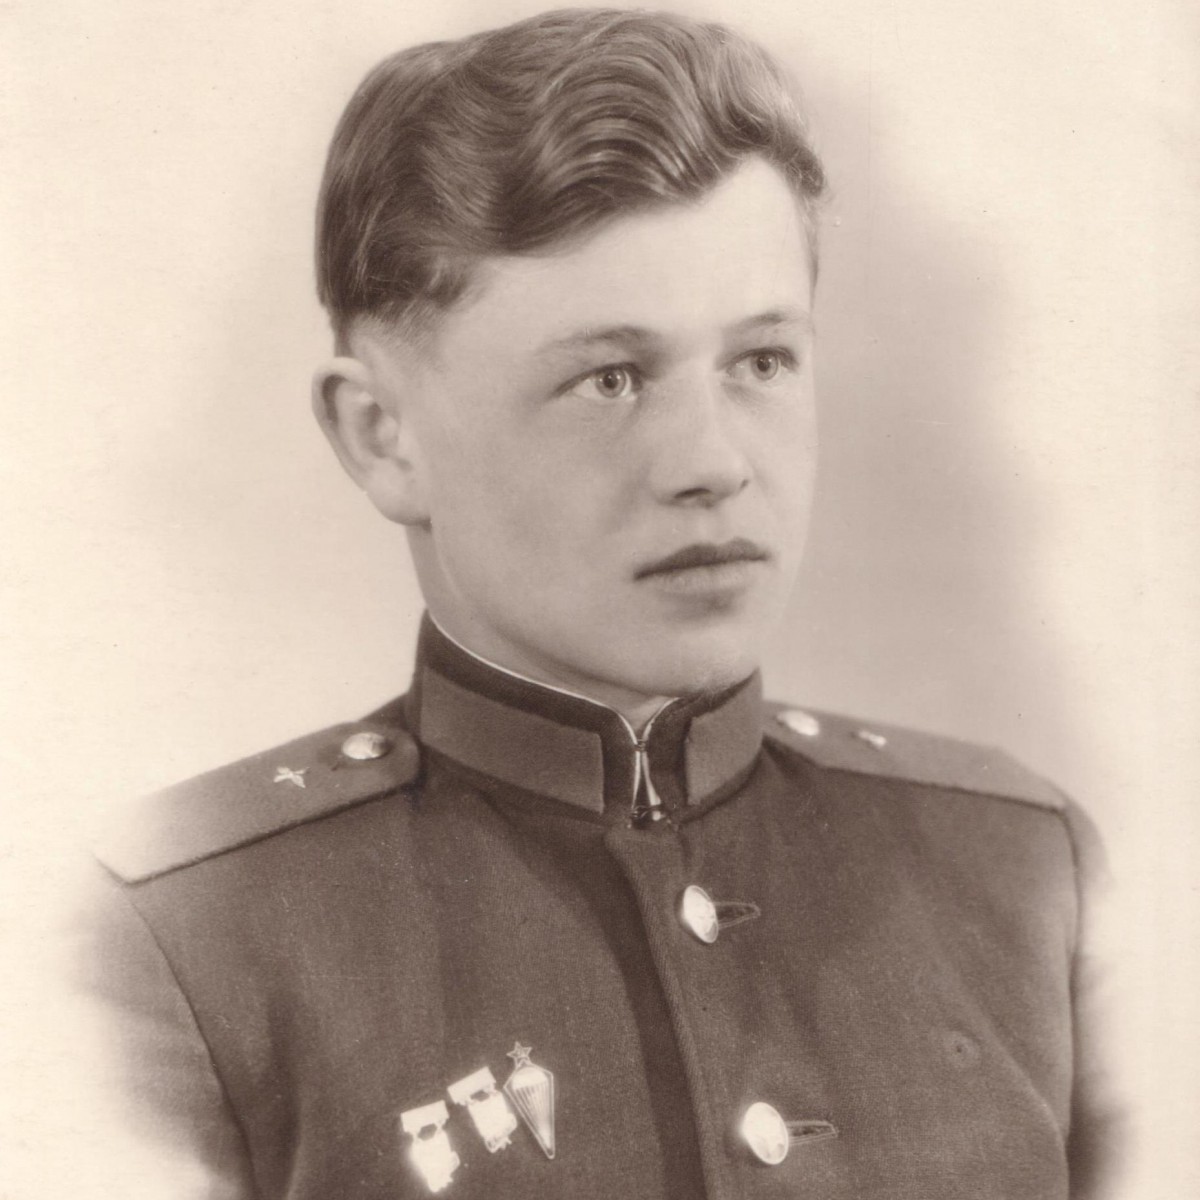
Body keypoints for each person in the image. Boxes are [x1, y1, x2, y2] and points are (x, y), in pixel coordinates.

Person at [76, 8, 1120, 1198]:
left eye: (761, 361)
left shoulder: (1026, 873)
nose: (712, 462)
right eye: (610, 379)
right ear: (382, 436)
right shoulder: (175, 947)